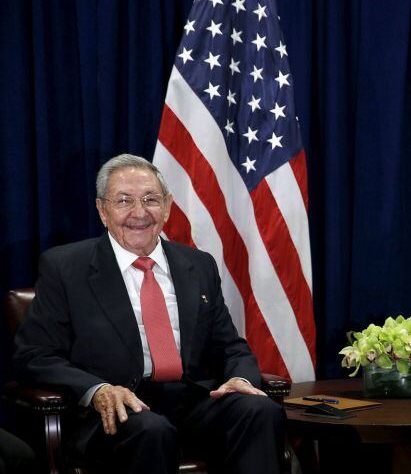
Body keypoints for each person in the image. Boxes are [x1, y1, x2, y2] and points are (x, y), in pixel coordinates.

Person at [13, 154, 285, 474]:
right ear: (103, 211)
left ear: (167, 206)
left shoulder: (198, 265)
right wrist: (96, 389)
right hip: (117, 413)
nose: (139, 213)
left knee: (257, 409)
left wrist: (240, 377)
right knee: (152, 430)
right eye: (124, 201)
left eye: (150, 200)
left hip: (192, 401)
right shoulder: (64, 267)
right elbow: (35, 355)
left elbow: (229, 345)